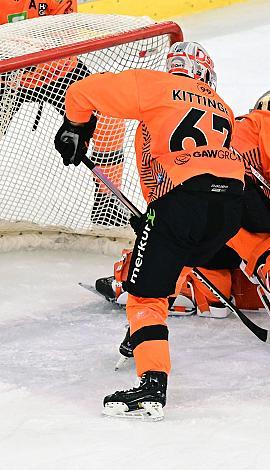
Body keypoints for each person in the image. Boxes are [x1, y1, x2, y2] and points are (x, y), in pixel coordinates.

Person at [95, 89, 270, 360]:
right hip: (230, 189)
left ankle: (132, 290)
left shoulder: (228, 127)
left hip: (184, 197)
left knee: (209, 267)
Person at [54, 41, 245, 420]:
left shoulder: (157, 86)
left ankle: (151, 388)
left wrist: (75, 127)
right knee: (177, 261)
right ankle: (138, 338)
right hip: (230, 207)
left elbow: (80, 90)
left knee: (144, 297)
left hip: (185, 201)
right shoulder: (221, 105)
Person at [0, 0, 128, 225]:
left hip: (60, 72)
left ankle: (108, 202)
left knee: (109, 117)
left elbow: (64, 33)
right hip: (6, 76)